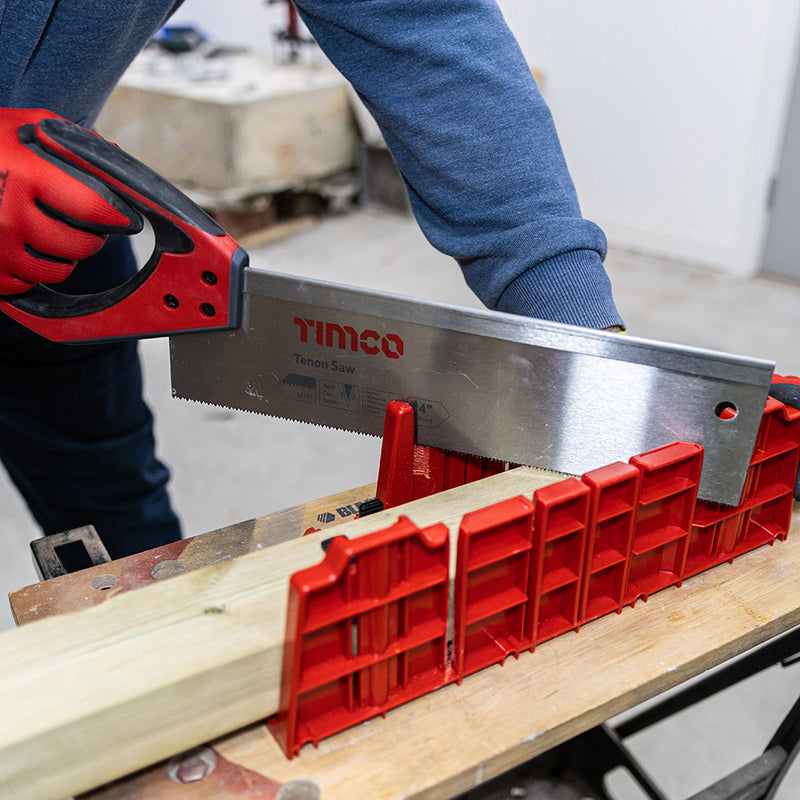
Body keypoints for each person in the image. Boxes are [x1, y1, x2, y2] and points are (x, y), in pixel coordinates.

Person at [0, 0, 624, 560]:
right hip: (27, 203)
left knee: (115, 520)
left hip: (47, 237)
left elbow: (421, 26)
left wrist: (571, 319)